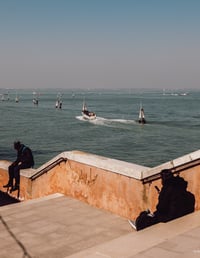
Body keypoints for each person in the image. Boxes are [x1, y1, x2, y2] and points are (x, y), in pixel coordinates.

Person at [129, 169, 195, 231]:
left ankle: (138, 224)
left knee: (146, 217)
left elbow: (161, 207)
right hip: (182, 212)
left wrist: (162, 197)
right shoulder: (181, 187)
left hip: (172, 215)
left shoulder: (166, 189)